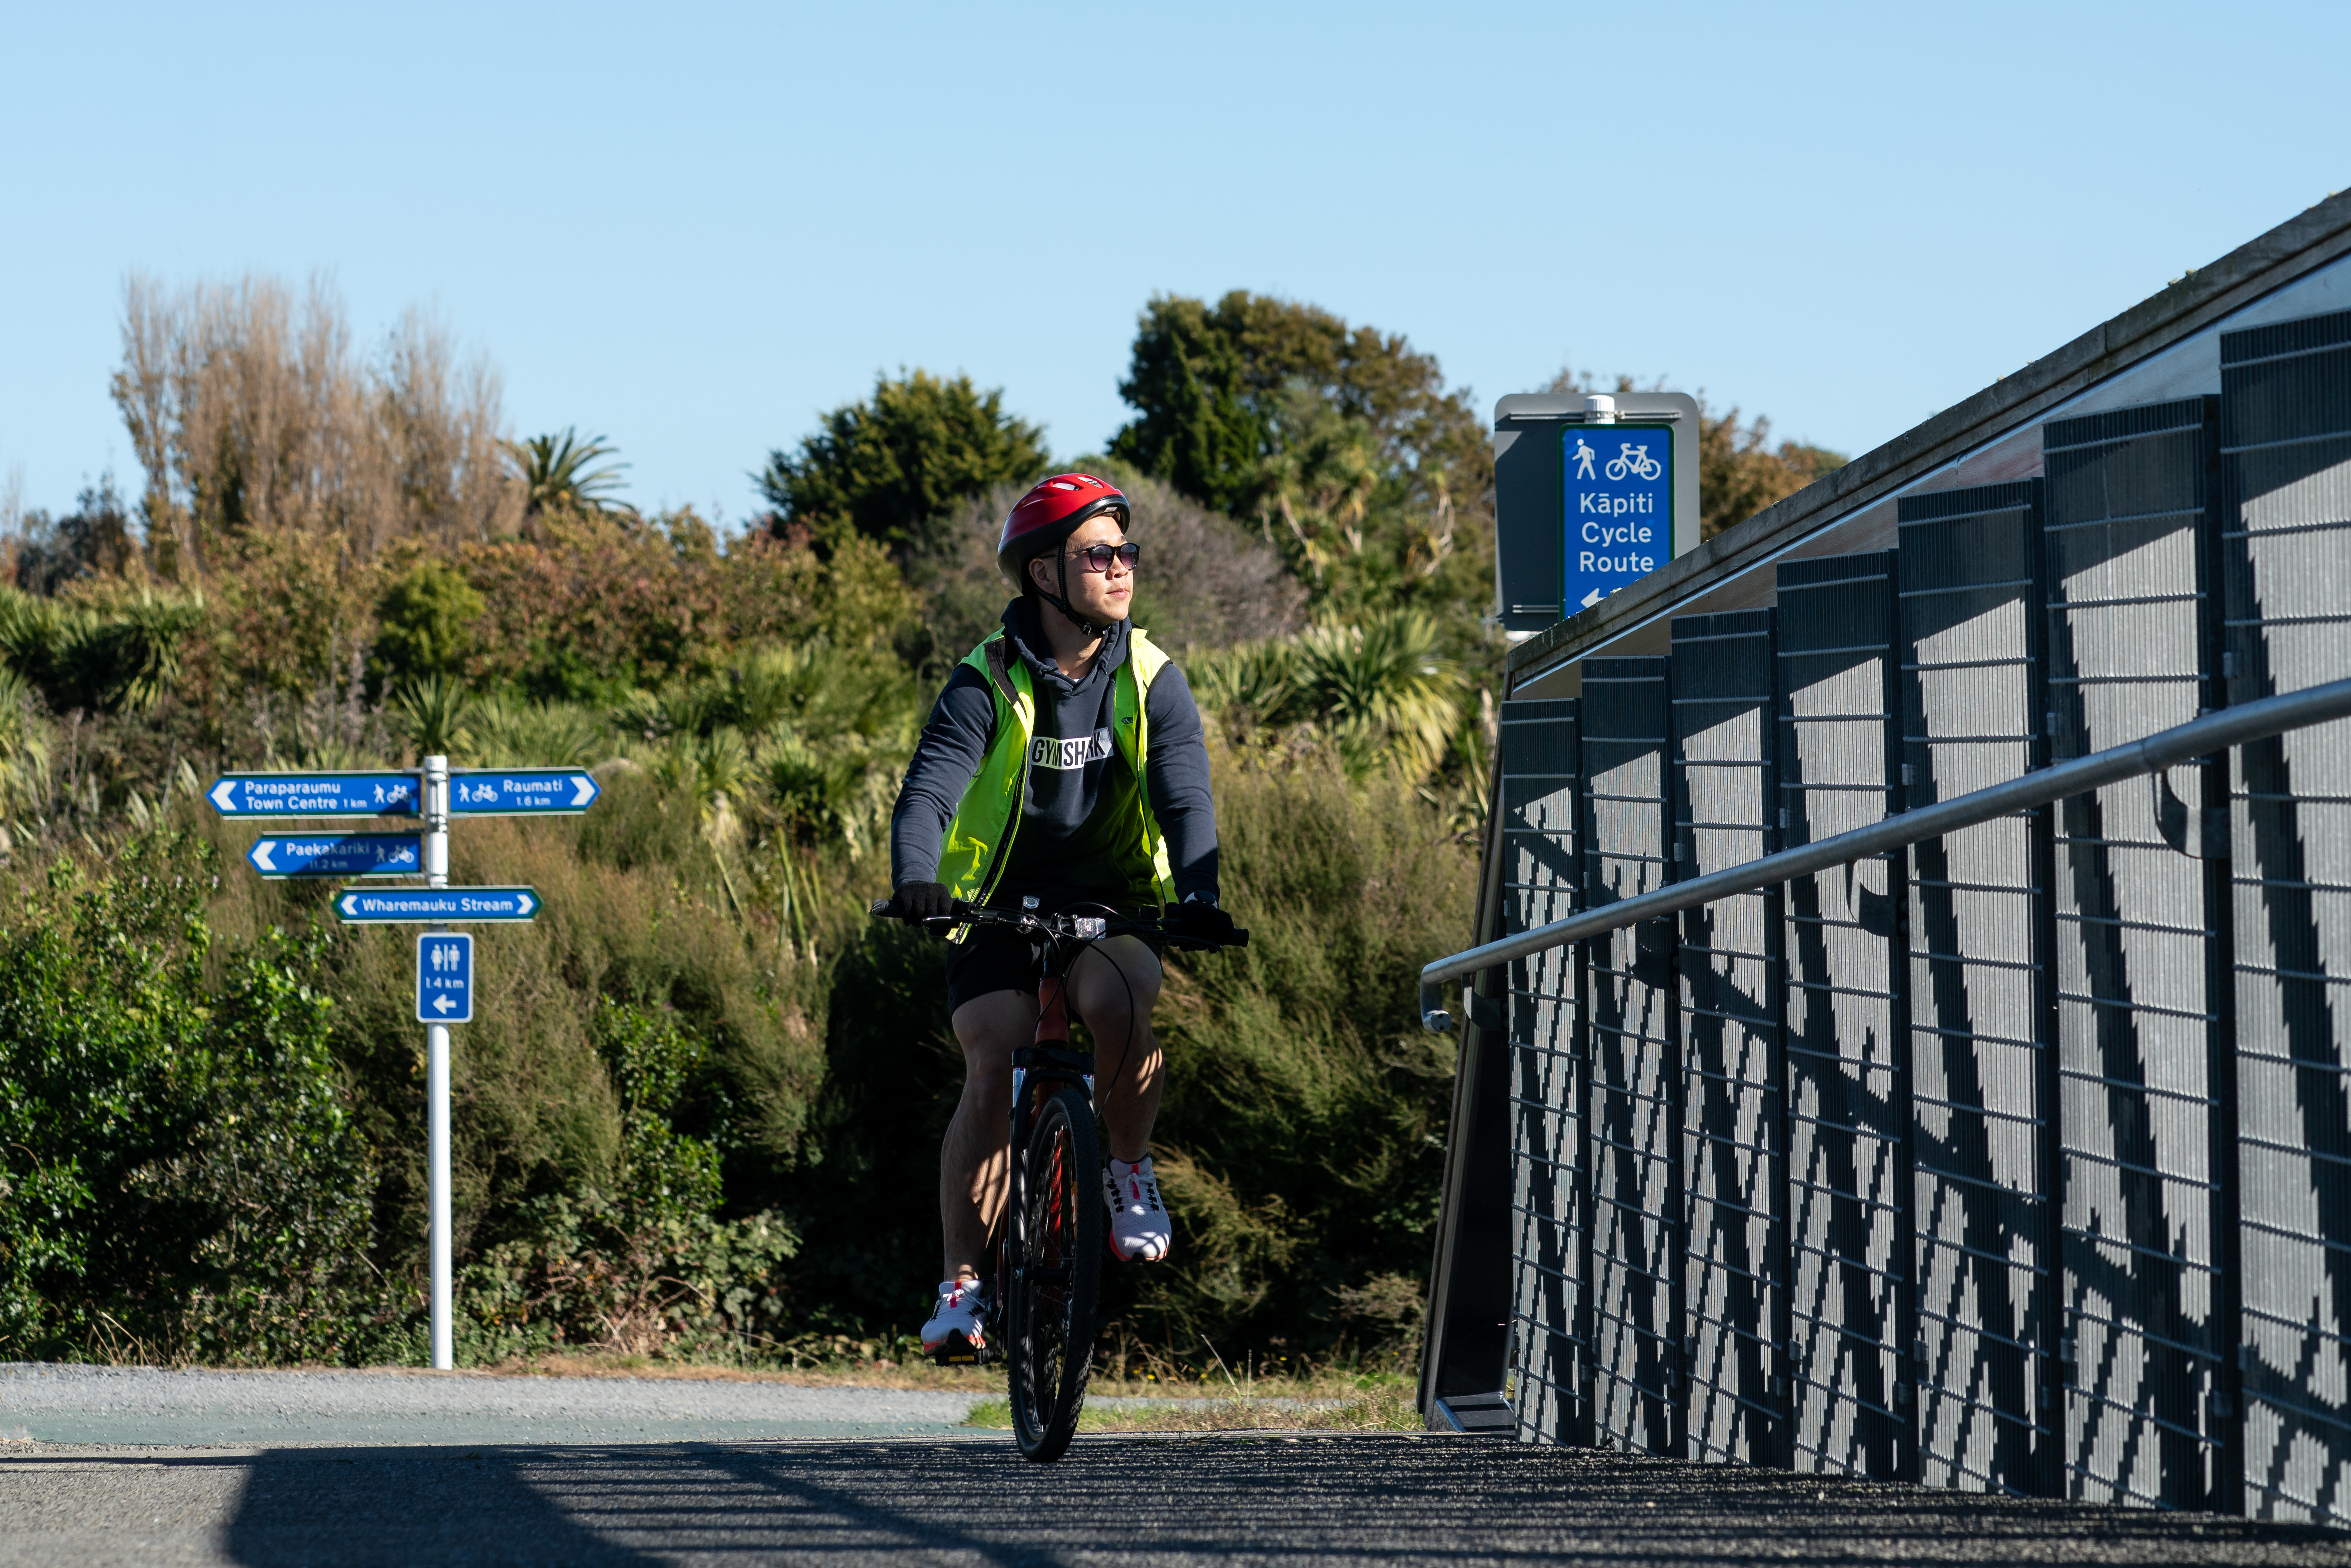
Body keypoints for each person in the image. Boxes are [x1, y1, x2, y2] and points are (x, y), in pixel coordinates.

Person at [880, 472, 1235, 1362]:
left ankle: (1125, 1165)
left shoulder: (1151, 673)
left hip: (1111, 896)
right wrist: (918, 878)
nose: (1121, 569)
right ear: (1043, 573)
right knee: (991, 1049)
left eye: (1128, 554)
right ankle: (962, 1286)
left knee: (1120, 1003)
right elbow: (929, 789)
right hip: (992, 902)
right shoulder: (984, 678)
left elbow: (1185, 790)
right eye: (1099, 555)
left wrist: (1199, 893)